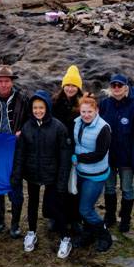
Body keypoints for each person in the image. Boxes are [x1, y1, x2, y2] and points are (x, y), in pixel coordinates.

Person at [11, 90, 72, 255]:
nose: (38, 111)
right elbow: (20, 154)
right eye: (35, 107)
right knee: (32, 203)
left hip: (52, 175)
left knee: (56, 206)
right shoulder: (27, 127)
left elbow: (65, 157)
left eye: (41, 107)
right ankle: (31, 232)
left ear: (48, 108)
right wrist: (16, 176)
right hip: (32, 174)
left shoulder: (59, 128)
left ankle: (65, 238)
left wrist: (62, 180)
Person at [0, 65, 30, 238]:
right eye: (0, 81)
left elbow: (30, 120)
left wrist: (22, 131)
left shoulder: (23, 99)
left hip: (15, 149)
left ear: (11, 82)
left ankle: (15, 224)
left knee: (15, 187)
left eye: (6, 81)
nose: (3, 84)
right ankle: (0, 220)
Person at [98, 74, 134, 233]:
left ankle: (125, 218)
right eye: (113, 86)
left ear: (126, 88)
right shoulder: (104, 104)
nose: (116, 89)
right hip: (108, 157)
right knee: (109, 187)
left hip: (126, 158)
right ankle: (110, 216)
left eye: (120, 86)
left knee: (127, 188)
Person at [71, 95, 113, 253]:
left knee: (85, 209)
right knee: (83, 206)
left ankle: (104, 235)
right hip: (80, 172)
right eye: (83, 111)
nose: (86, 115)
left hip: (95, 175)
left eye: (90, 111)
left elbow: (100, 153)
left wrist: (78, 158)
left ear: (96, 110)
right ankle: (88, 234)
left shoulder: (103, 128)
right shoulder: (77, 123)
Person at [51, 65, 83, 244]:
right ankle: (54, 216)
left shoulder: (83, 104)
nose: (70, 88)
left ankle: (75, 218)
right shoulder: (55, 103)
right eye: (67, 85)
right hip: (58, 150)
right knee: (56, 185)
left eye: (73, 85)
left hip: (76, 150)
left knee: (75, 186)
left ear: (78, 87)